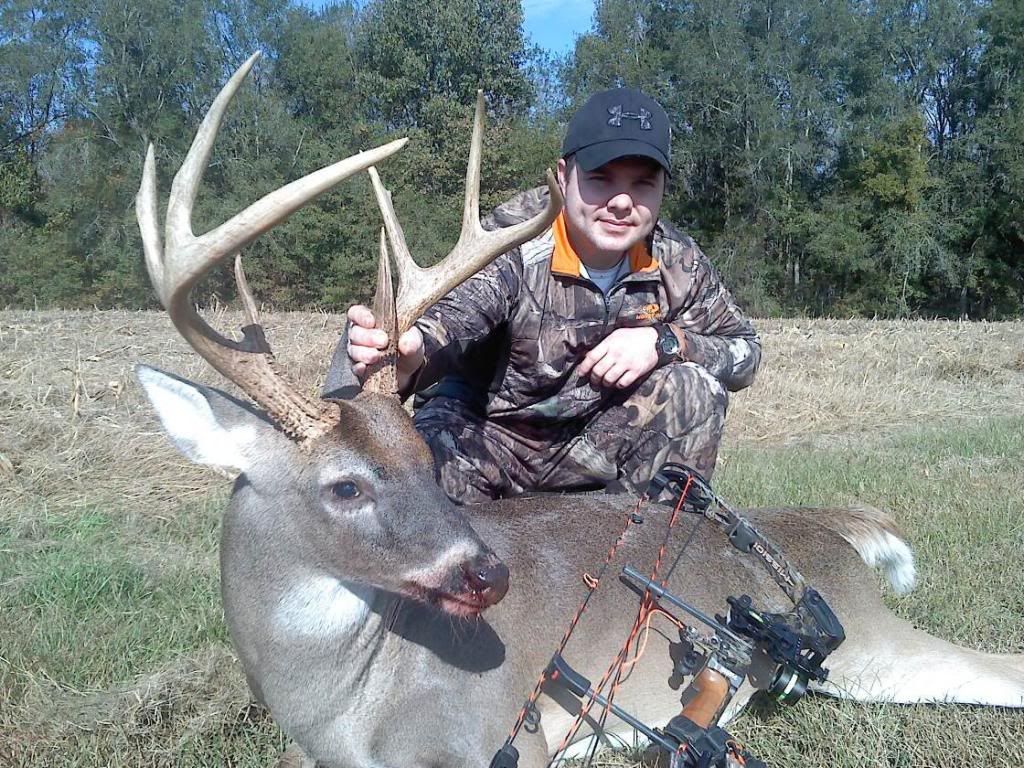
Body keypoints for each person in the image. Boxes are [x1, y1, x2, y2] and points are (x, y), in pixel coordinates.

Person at [343, 87, 761, 504]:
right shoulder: (512, 239)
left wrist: (664, 342)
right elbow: (454, 315)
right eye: (600, 180)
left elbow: (745, 353)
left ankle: (642, 557)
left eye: (642, 184)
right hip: (487, 439)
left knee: (695, 388)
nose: (621, 203)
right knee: (420, 463)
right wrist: (410, 353)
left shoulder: (675, 260)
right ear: (563, 175)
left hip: (594, 445)